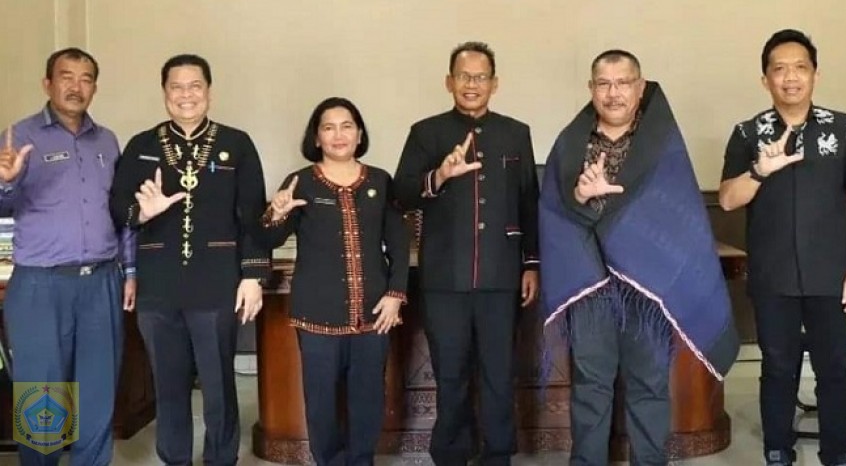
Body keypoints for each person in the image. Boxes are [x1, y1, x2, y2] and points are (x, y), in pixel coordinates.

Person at [540, 49, 739, 466]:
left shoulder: (661, 145)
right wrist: (582, 196)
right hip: (590, 285)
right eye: (604, 84)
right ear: (591, 89)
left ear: (641, 87)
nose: (613, 93)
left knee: (649, 385)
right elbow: (556, 214)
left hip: (646, 288)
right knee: (591, 387)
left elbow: (678, 215)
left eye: (623, 83)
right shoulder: (571, 143)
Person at [718, 29, 846, 466]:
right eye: (779, 69)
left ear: (815, 75)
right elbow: (728, 199)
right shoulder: (749, 132)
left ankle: (837, 453)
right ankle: (777, 449)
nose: (790, 77)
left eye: (800, 67)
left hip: (831, 274)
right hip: (774, 275)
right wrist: (760, 170)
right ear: (765, 79)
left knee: (834, 371)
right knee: (778, 368)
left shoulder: (842, 128)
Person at [110, 54, 269, 466]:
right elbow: (117, 207)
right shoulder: (142, 145)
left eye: (194, 86)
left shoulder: (237, 143)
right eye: (176, 87)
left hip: (216, 282)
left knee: (218, 385)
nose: (186, 95)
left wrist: (252, 276)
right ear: (164, 94)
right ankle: (174, 458)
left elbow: (253, 214)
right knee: (169, 385)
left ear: (209, 92)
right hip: (157, 286)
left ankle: (221, 459)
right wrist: (143, 213)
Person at [394, 41, 539, 466]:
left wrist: (531, 264)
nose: (471, 84)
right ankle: (451, 455)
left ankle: (497, 455)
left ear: (495, 84)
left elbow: (528, 202)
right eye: (464, 76)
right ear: (449, 82)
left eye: (480, 77)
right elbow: (402, 194)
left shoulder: (517, 133)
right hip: (444, 278)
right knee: (451, 375)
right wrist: (439, 174)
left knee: (498, 375)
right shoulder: (427, 132)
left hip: (502, 275)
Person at [0, 47, 134, 466]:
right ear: (47, 83)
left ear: (95, 86)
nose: (76, 86)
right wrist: (5, 184)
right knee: (41, 391)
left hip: (102, 282)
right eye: (66, 76)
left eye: (86, 78)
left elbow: (123, 213)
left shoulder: (108, 141)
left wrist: (129, 270)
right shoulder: (19, 137)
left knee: (98, 388)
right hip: (40, 283)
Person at [261, 97, 409, 466]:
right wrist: (275, 214)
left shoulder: (379, 181)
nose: (338, 134)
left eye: (347, 126)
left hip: (374, 313)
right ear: (317, 137)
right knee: (322, 404)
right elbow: (270, 240)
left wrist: (395, 294)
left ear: (359, 134)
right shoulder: (301, 182)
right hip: (317, 314)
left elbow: (400, 242)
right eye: (328, 127)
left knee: (367, 400)